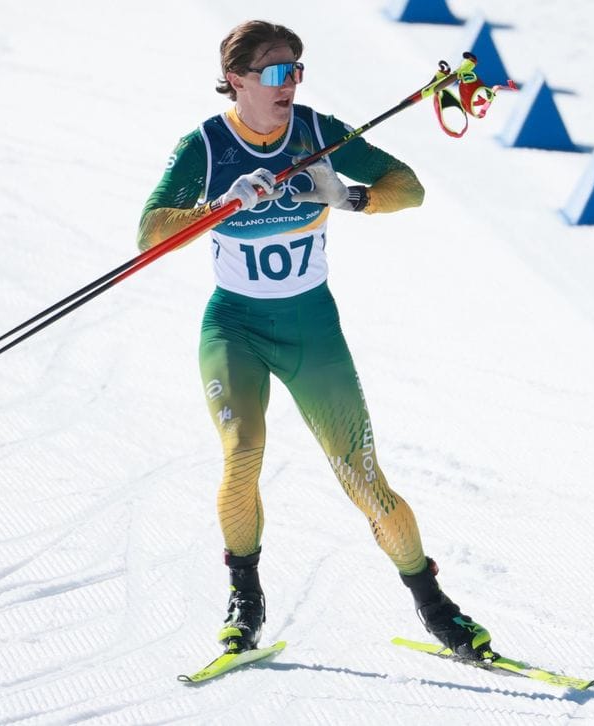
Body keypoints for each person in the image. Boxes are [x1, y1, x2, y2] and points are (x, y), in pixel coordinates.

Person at [137, 20, 491, 660]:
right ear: (237, 80)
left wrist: (349, 197)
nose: (290, 84)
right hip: (235, 326)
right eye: (275, 72)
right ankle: (245, 601)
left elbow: (408, 189)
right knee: (243, 452)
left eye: (297, 69)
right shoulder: (207, 146)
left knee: (363, 478)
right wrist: (218, 205)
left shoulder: (317, 133)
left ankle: (436, 608)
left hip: (312, 329)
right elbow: (150, 233)